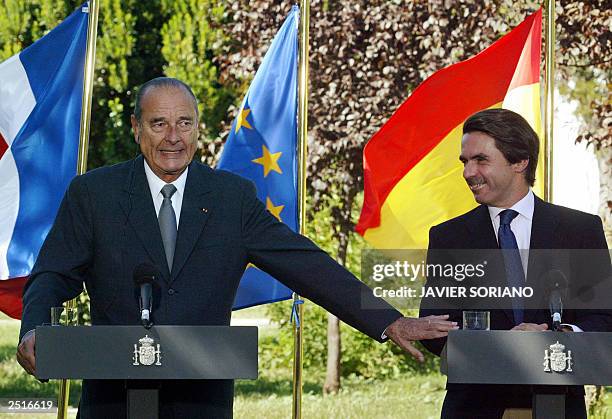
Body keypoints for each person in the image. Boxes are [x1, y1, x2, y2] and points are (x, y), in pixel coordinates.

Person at [16, 77, 456, 418]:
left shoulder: (230, 197)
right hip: (113, 399)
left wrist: (389, 322)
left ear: (198, 127)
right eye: (159, 123)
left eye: (184, 122)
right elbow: (53, 274)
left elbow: (306, 264)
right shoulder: (94, 194)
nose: (174, 137)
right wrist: (34, 326)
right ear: (136, 128)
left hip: (201, 400)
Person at [419, 108, 611, 419]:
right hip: (474, 409)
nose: (468, 172)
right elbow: (435, 326)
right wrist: (507, 345)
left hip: (559, 405)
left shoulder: (580, 230)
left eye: (481, 160)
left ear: (520, 161)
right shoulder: (449, 237)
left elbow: (604, 318)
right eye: (465, 162)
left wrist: (555, 335)